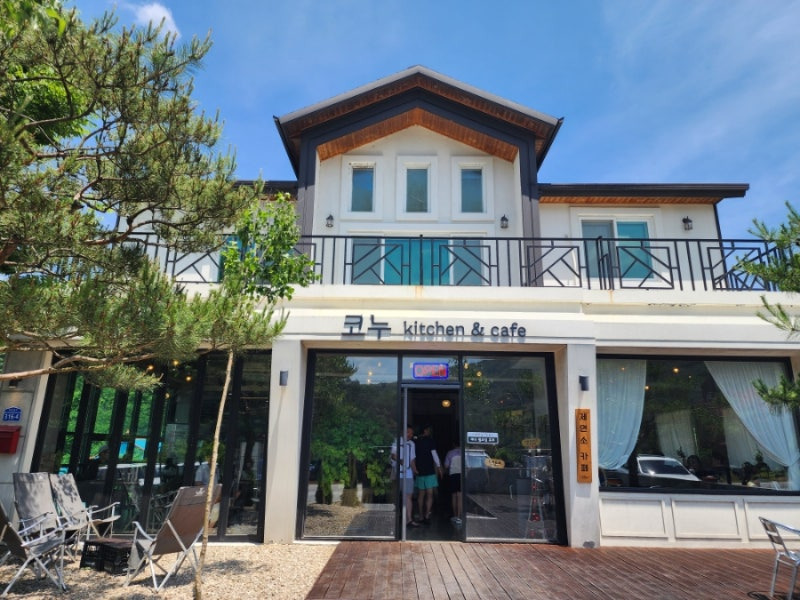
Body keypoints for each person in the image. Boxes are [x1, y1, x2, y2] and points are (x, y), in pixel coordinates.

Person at [391, 425, 420, 528]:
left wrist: (415, 470)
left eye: (411, 433)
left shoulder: (412, 444)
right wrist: (400, 461)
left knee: (408, 496)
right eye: (409, 432)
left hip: (408, 473)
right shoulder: (397, 441)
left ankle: (409, 519)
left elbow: (412, 459)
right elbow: (393, 455)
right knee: (395, 496)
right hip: (397, 472)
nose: (410, 435)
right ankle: (394, 519)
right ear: (403, 432)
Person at [414, 424, 442, 524]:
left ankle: (421, 516)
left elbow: (413, 457)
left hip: (420, 471)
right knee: (430, 494)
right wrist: (439, 467)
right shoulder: (430, 441)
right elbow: (434, 455)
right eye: (428, 430)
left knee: (421, 495)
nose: (429, 431)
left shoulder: (415, 442)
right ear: (425, 430)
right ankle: (427, 515)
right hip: (430, 471)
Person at [444, 440, 462, 525]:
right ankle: (459, 516)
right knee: (460, 496)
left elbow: (446, 465)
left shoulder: (450, 453)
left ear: (454, 444)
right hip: (461, 475)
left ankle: (455, 515)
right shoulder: (464, 452)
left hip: (453, 475)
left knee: (454, 496)